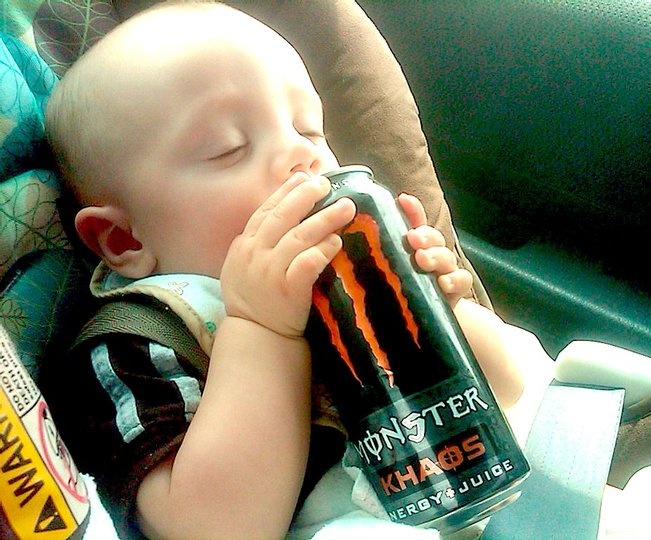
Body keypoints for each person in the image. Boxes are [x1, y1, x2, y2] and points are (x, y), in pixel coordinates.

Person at [43, 2, 525, 538]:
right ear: (125, 239)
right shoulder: (137, 343)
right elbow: (212, 530)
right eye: (227, 148)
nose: (302, 155)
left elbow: (508, 389)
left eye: (309, 129)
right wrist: (262, 329)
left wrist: (441, 309)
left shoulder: (356, 278)